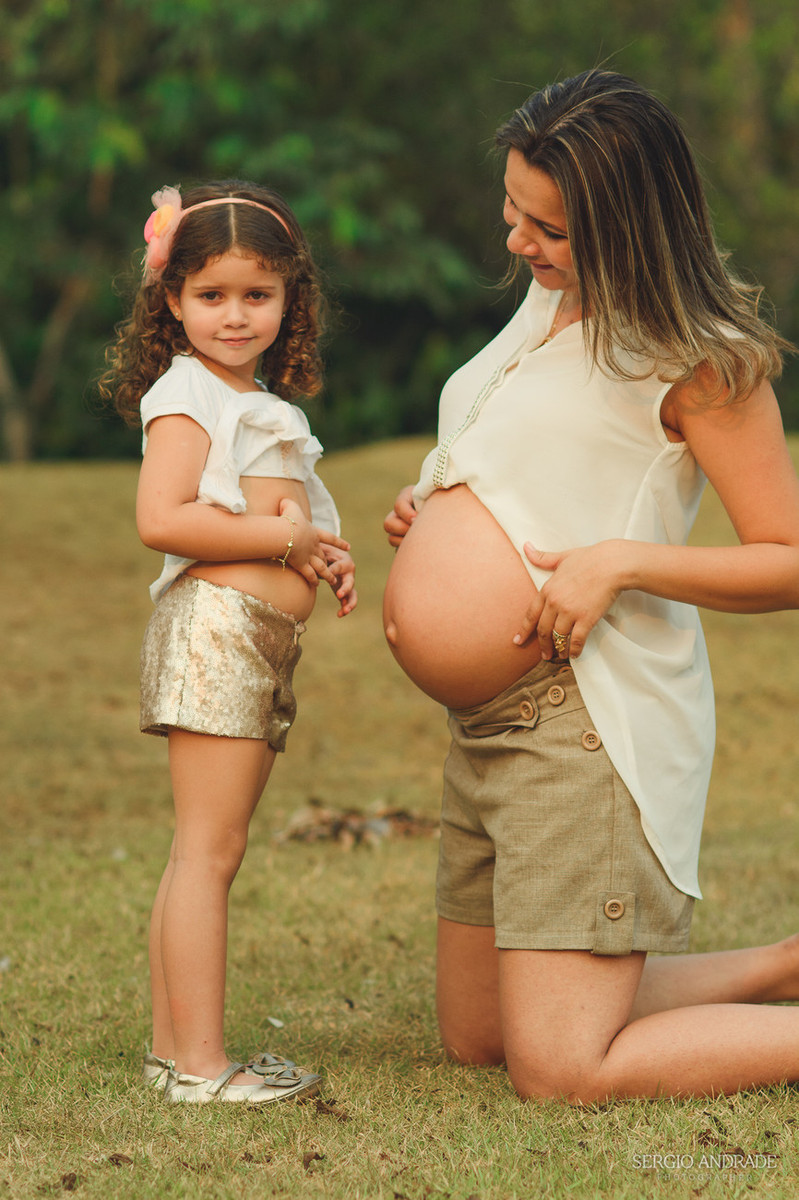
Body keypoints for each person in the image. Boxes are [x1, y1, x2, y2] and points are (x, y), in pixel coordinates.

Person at [383, 70, 799, 1103]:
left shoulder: (699, 363)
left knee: (562, 1069)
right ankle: (781, 968)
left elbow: (786, 556)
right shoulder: (545, 302)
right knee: (478, 1035)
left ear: (630, 229)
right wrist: (436, 500)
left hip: (584, 726)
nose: (521, 244)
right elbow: (539, 464)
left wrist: (623, 563)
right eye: (513, 213)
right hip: (486, 732)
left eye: (551, 230)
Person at [100, 180, 357, 1103]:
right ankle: (202, 1069)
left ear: (291, 298)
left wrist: (321, 555)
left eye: (258, 295)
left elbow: (274, 507)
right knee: (209, 851)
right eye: (211, 296)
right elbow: (162, 518)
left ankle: (175, 1057)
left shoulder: (247, 395)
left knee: (203, 849)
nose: (236, 315)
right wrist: (286, 540)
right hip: (218, 631)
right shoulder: (185, 394)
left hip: (253, 637)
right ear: (170, 301)